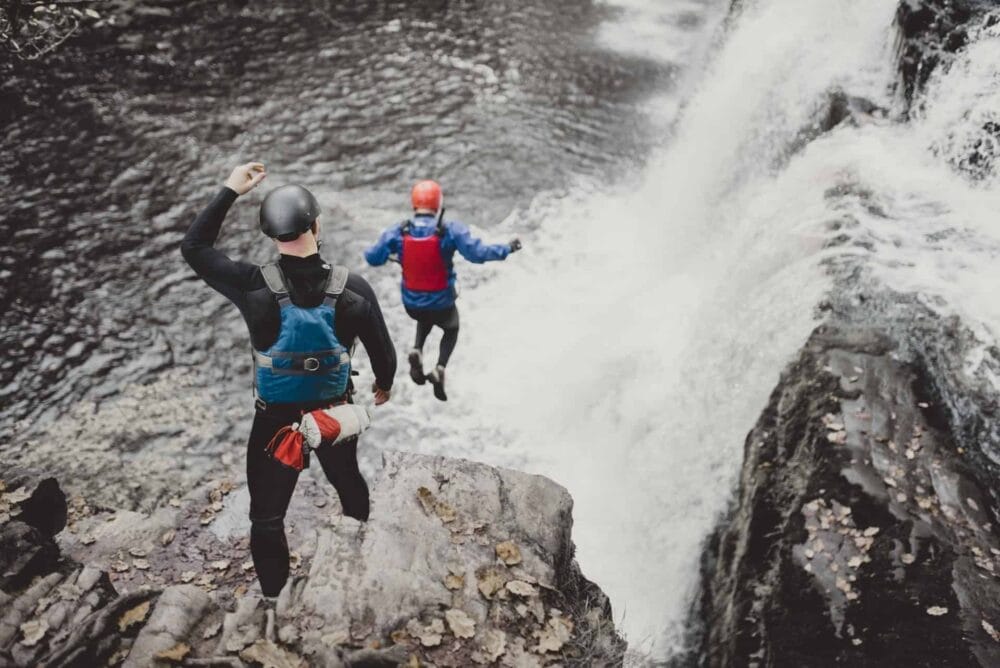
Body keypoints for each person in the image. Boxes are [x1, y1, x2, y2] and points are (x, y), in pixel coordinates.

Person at [181, 162, 396, 600]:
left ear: (270, 235)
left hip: (274, 422)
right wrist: (384, 386)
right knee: (349, 482)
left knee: (266, 517)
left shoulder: (250, 285)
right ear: (317, 224)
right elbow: (383, 356)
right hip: (335, 414)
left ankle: (275, 601)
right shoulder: (353, 289)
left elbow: (195, 247)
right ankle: (353, 560)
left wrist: (230, 190)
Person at [364, 180, 520, 401]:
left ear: (414, 204)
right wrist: (507, 248)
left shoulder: (398, 232)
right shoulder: (450, 230)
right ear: (438, 204)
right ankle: (440, 368)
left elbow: (373, 258)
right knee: (451, 327)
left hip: (412, 305)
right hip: (442, 304)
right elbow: (478, 254)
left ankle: (417, 349)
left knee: (424, 313)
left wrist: (393, 253)